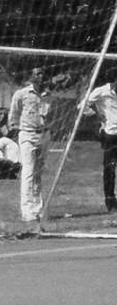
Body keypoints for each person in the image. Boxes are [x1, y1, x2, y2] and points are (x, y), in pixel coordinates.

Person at [82, 68, 117, 213]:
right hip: (110, 136)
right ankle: (111, 204)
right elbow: (82, 105)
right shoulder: (102, 91)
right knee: (110, 170)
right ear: (115, 80)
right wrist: (97, 116)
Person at [9, 67, 50, 223]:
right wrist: (16, 129)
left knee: (39, 173)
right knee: (28, 171)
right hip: (27, 134)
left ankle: (38, 209)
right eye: (38, 73)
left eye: (43, 73)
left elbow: (50, 114)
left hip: (43, 135)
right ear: (31, 76)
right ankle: (27, 211)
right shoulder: (22, 94)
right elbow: (14, 113)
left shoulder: (48, 95)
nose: (41, 76)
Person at [0, 106, 23, 179]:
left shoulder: (13, 129)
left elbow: (11, 136)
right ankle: (7, 171)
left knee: (4, 140)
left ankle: (9, 165)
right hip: (7, 155)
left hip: (14, 158)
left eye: (2, 114)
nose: (1, 116)